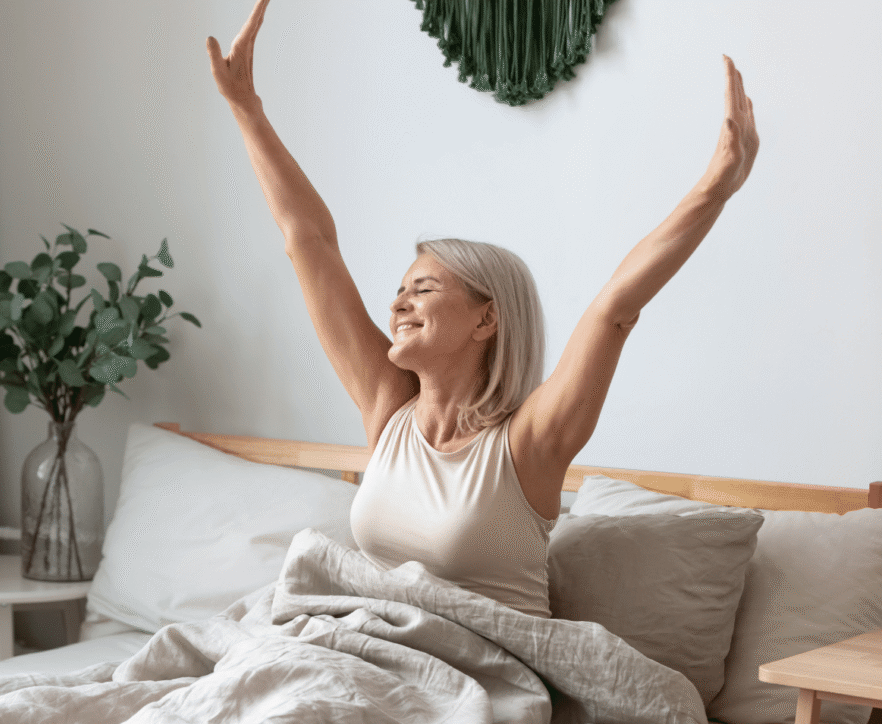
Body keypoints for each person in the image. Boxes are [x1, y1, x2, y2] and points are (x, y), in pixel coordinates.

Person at [207, 0, 758, 617]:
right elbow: (310, 243)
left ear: (486, 319)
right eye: (401, 289)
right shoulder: (389, 412)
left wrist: (715, 187)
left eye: (424, 289)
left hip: (477, 661)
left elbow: (615, 308)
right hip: (368, 645)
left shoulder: (529, 444)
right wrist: (247, 111)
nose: (398, 303)